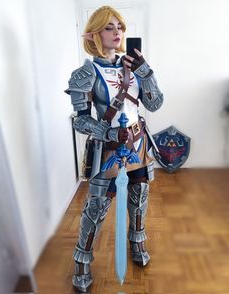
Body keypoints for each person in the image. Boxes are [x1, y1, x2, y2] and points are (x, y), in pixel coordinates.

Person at [65, 5, 163, 292]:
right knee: (95, 208)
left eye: (119, 26)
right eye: (109, 27)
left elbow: (155, 104)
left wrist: (146, 71)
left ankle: (138, 241)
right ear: (94, 33)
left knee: (139, 198)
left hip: (138, 143)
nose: (117, 32)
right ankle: (82, 262)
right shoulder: (85, 72)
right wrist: (106, 131)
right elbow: (80, 120)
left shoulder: (134, 67)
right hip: (108, 148)